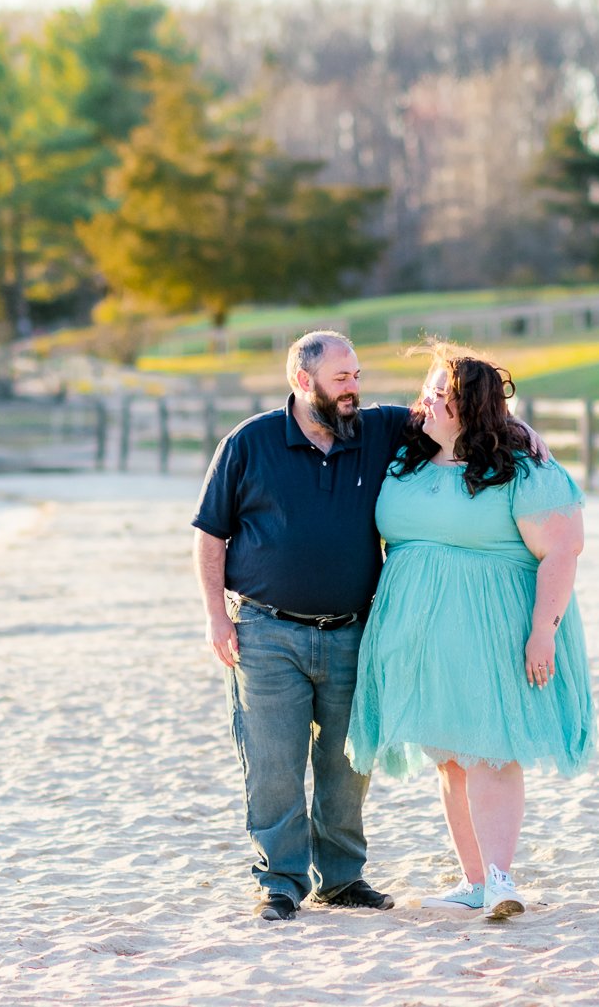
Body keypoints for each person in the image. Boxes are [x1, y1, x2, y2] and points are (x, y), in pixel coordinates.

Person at [346, 344, 596, 921]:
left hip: (493, 627)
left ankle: (503, 879)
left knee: (492, 749)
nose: (425, 402)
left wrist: (543, 631)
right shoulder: (406, 457)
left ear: (471, 407)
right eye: (427, 390)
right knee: (451, 759)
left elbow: (563, 548)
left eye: (441, 394)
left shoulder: (521, 468)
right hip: (420, 635)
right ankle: (474, 879)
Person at [192, 330, 409, 921]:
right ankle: (281, 881)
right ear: (300, 380)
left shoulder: (377, 429)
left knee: (347, 764)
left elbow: (452, 413)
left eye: (358, 376)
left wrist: (524, 435)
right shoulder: (248, 443)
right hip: (265, 633)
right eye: (342, 379)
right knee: (272, 763)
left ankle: (341, 878)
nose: (354, 390)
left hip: (353, 630)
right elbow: (210, 535)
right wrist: (216, 616)